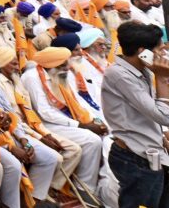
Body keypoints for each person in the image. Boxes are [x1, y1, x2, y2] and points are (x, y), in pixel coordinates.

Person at [0, 59, 61, 207]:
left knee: (49, 157)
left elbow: (12, 116)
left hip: (7, 134)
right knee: (13, 166)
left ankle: (31, 201)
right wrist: (11, 148)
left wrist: (23, 140)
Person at [102, 21, 169, 208]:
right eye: (160, 49)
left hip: (151, 153)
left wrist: (161, 135)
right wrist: (162, 77)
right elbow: (164, 116)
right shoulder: (119, 75)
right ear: (142, 52)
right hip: (135, 158)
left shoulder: (143, 70)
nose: (163, 54)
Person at [21, 47, 105, 195]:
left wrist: (95, 120)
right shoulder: (32, 77)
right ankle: (84, 189)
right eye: (63, 64)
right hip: (43, 124)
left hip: (65, 120)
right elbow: (44, 112)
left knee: (103, 134)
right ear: (51, 65)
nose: (67, 67)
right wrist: (82, 125)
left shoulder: (59, 73)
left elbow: (77, 101)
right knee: (92, 140)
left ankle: (85, 184)